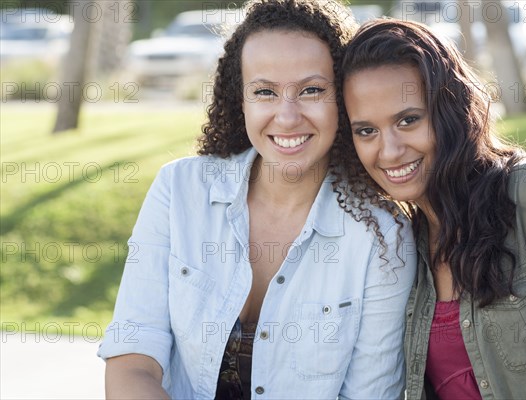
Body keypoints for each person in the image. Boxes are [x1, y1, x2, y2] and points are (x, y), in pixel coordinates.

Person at [98, 2, 417, 399]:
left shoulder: (383, 237)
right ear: (241, 99)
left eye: (311, 90)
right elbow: (132, 357)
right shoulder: (179, 190)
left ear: (344, 99)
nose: (287, 117)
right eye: (265, 91)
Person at [339, 18, 526, 400]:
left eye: (408, 120)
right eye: (366, 131)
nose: (389, 150)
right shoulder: (399, 247)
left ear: (449, 110)